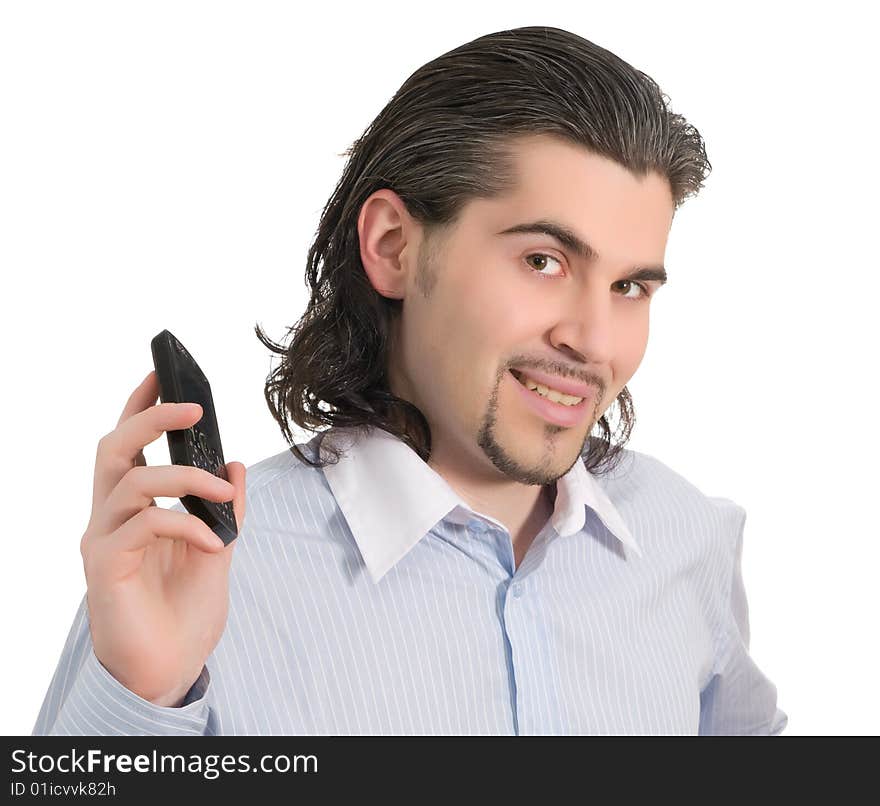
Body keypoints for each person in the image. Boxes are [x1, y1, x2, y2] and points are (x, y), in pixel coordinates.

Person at [33, 25, 787, 736]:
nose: (592, 341)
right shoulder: (198, 572)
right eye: (543, 262)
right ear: (393, 247)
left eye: (629, 288)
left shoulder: (687, 540)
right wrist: (142, 696)